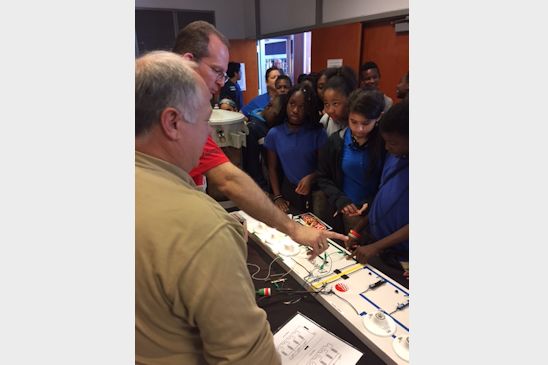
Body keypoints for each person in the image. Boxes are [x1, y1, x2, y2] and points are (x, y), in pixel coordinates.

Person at [135, 51, 280, 365]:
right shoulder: (202, 227)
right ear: (172, 122)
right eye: (204, 121)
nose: (208, 135)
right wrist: (215, 243)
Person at [172, 21, 346, 256]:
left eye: (225, 73)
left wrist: (292, 228)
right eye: (217, 71)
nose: (222, 82)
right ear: (187, 61)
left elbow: (228, 177)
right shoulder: (159, 114)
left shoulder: (190, 116)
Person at [346, 99, 409, 276]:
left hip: (401, 255)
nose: (387, 147)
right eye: (385, 141)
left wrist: (375, 247)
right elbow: (381, 195)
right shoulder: (395, 156)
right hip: (377, 242)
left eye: (393, 143)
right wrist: (358, 230)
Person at [316, 89, 386, 233]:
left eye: (366, 123)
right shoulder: (336, 141)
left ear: (378, 117)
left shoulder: (385, 144)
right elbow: (323, 176)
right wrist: (339, 199)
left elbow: (387, 183)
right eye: (353, 122)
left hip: (373, 213)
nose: (359, 129)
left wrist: (372, 202)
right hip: (342, 209)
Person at [265, 83, 328, 213]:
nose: (295, 110)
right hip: (288, 190)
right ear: (286, 104)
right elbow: (272, 168)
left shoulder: (318, 133)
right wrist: (277, 197)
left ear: (309, 109)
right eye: (292, 104)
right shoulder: (274, 134)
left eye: (302, 106)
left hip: (315, 191)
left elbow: (324, 168)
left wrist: (311, 177)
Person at [320, 66, 358, 136]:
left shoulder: (358, 122)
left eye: (335, 104)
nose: (330, 110)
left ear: (349, 99)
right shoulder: (325, 120)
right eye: (326, 104)